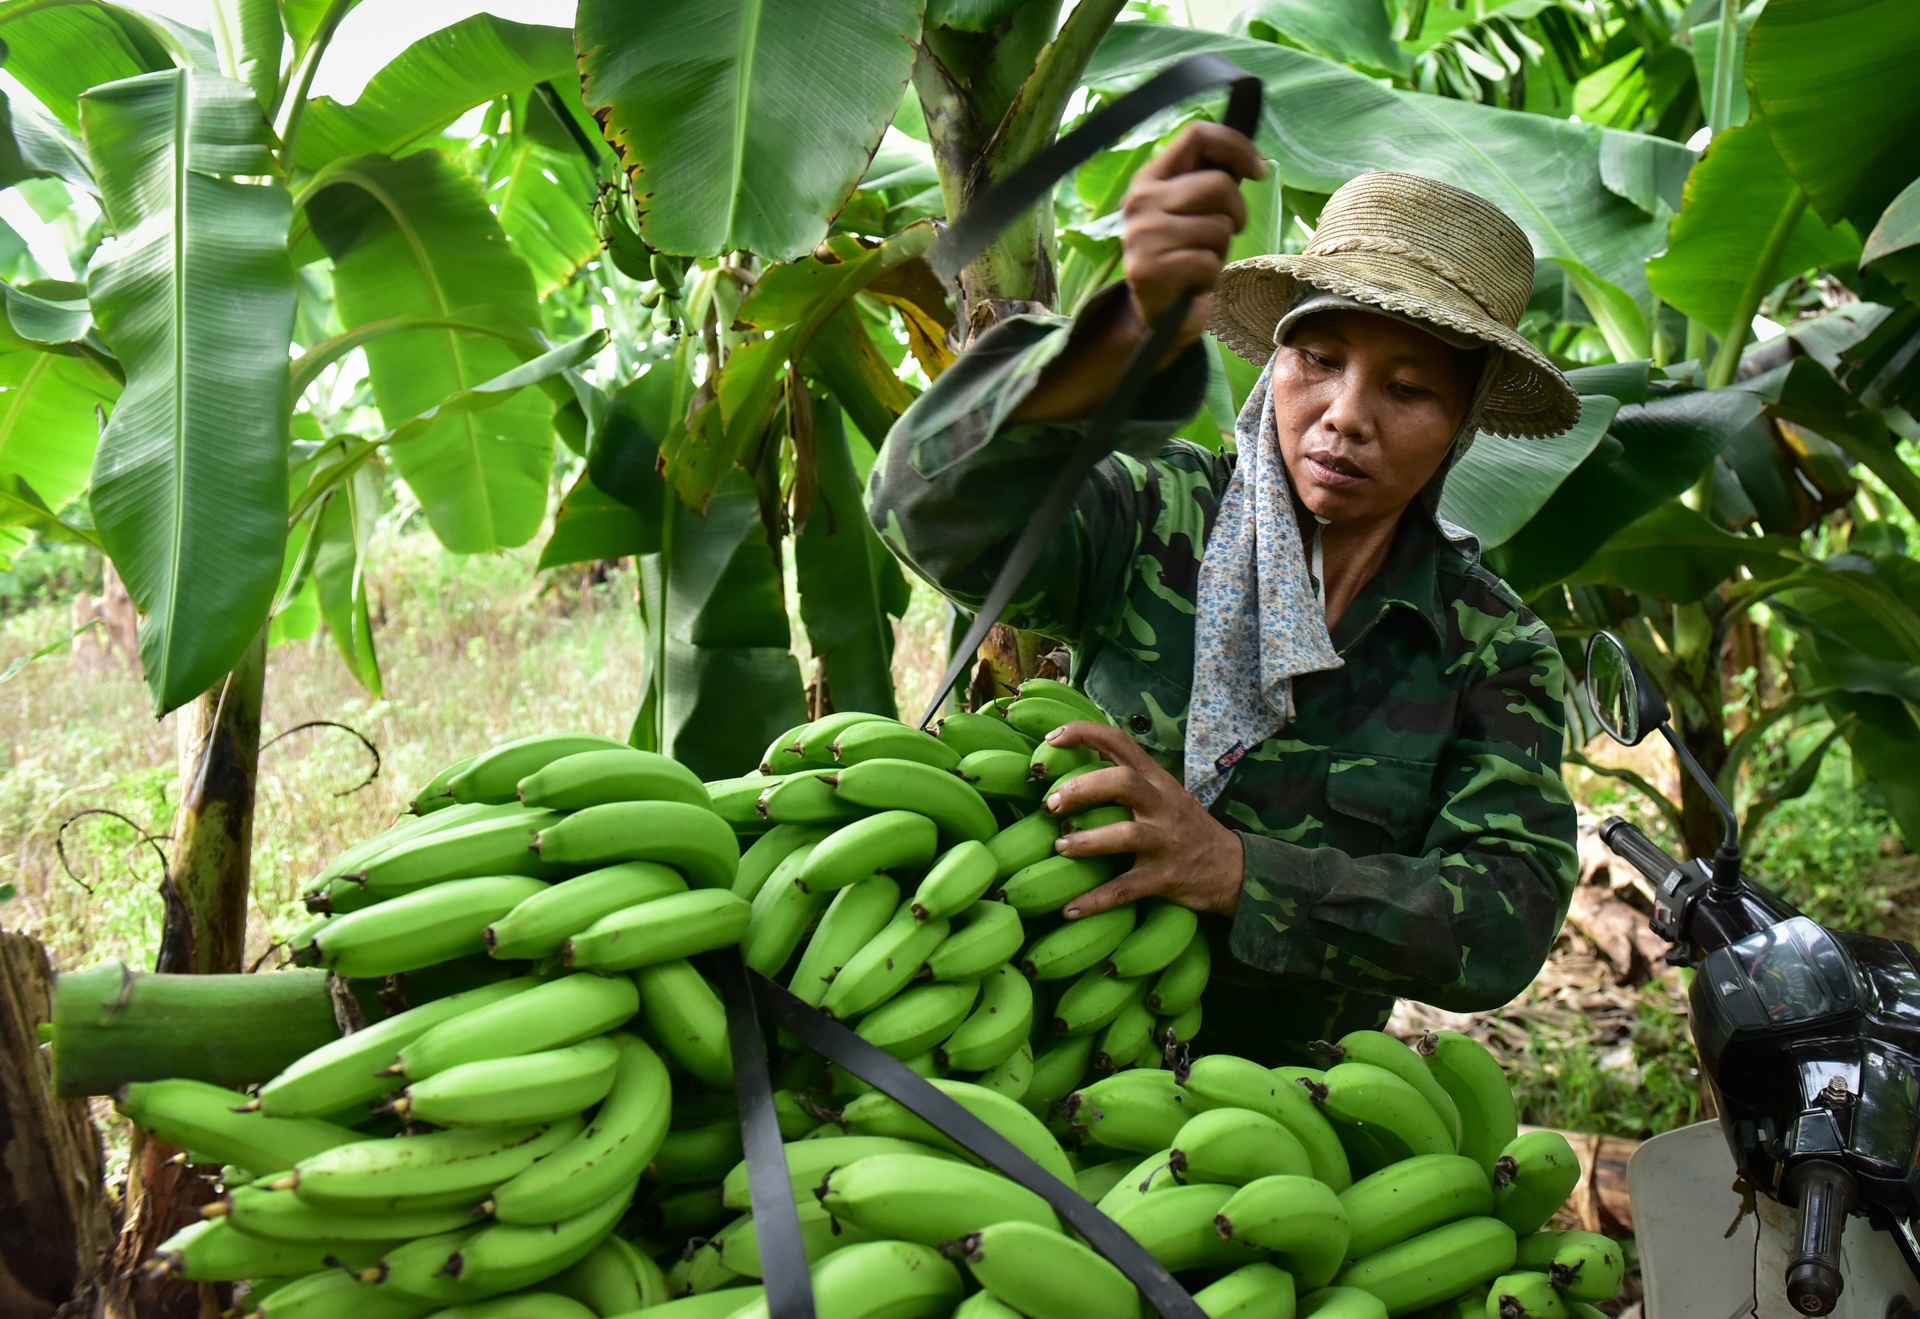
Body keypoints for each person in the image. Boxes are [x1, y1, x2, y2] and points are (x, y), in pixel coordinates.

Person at [866, 124, 1582, 1064]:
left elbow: (1503, 921)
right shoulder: (1159, 516)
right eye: (1319, 359)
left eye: (1407, 389)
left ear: (1459, 426)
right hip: (1043, 1039)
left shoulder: (1487, 648)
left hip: (1286, 1100)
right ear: (1274, 361)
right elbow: (925, 506)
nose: (1346, 416)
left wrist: (1241, 871)